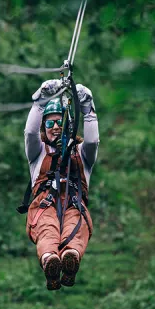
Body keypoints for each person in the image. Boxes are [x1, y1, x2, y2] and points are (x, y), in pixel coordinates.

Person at [22, 80, 99, 290]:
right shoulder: (38, 154)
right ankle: (50, 260)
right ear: (43, 128)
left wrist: (88, 108)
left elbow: (92, 142)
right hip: (45, 206)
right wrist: (40, 102)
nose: (55, 127)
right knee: (48, 229)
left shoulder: (82, 153)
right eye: (49, 123)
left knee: (77, 226)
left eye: (60, 123)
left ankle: (70, 257)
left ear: (69, 126)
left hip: (74, 205)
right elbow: (29, 134)